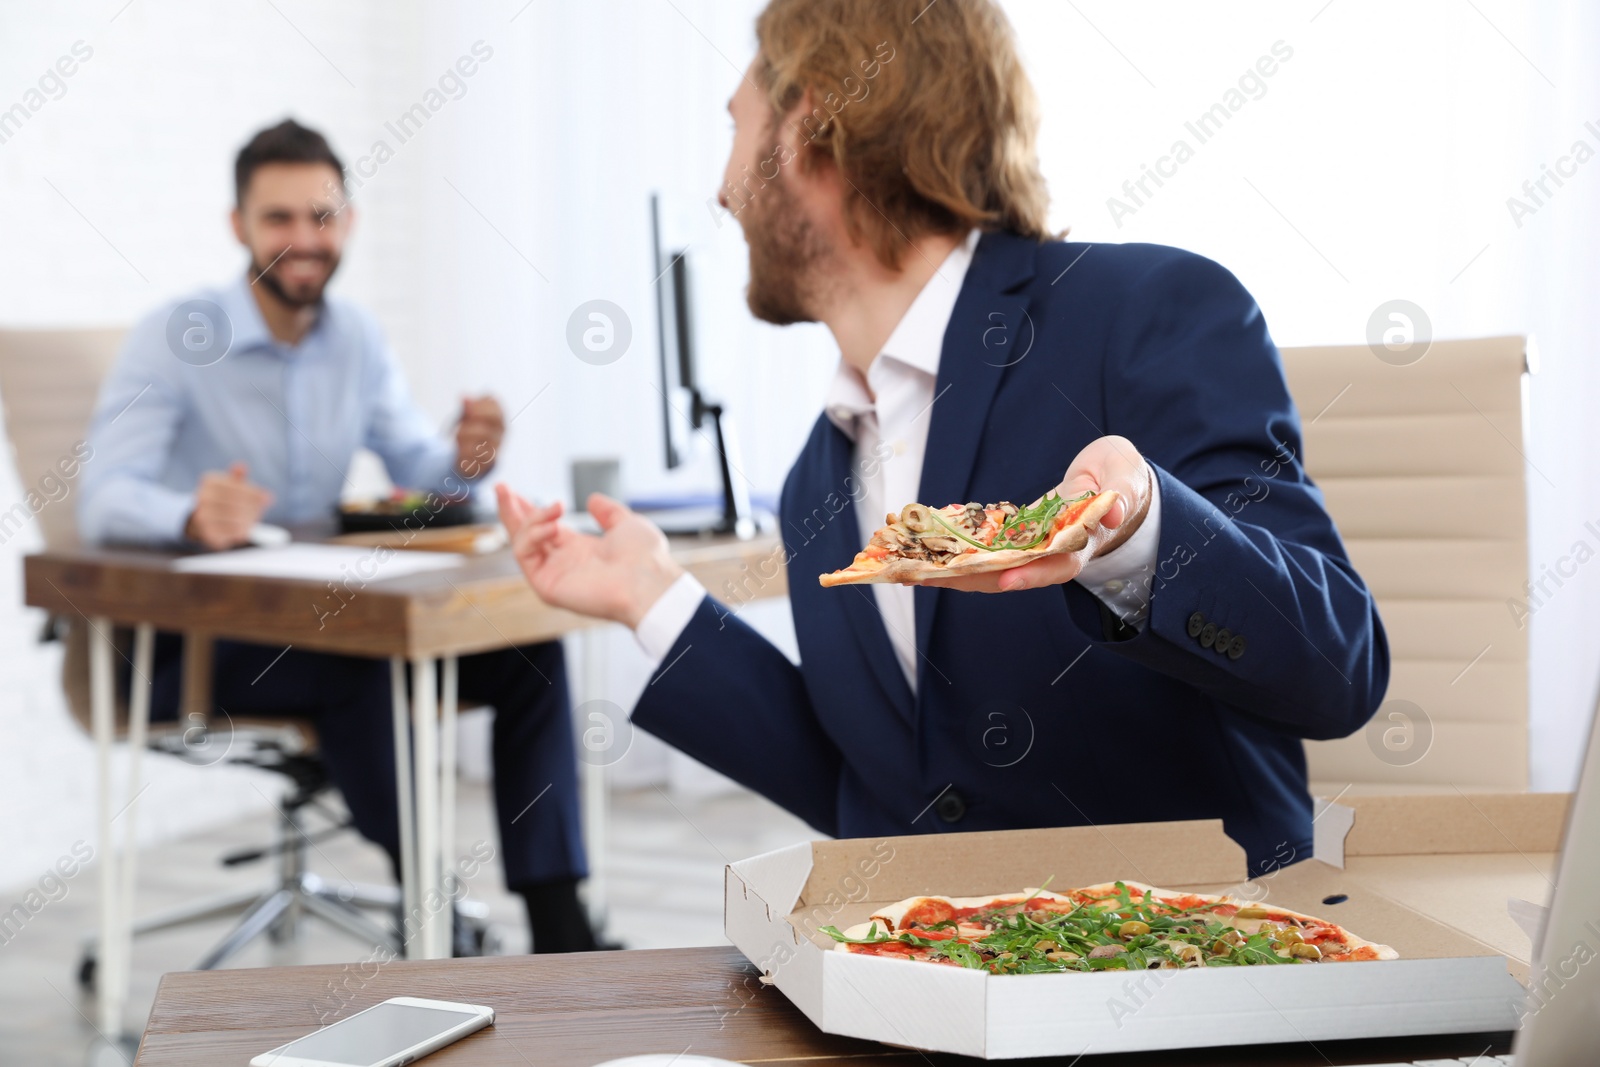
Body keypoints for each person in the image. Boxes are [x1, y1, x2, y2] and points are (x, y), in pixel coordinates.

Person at [495, 0, 1389, 878]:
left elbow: (1339, 666)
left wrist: (1144, 533)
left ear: (810, 121)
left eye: (737, 127)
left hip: (1194, 972)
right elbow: (884, 795)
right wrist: (654, 598)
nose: (720, 189)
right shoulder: (822, 473)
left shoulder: (1144, 312)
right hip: (950, 987)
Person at [79, 119, 600, 952]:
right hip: (201, 640)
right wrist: (186, 515)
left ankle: (560, 919)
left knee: (530, 646)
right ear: (238, 226)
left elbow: (418, 471)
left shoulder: (353, 338)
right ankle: (431, 908)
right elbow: (101, 498)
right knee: (363, 649)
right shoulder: (177, 338)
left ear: (347, 223)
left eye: (320, 217)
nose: (302, 239)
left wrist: (464, 460)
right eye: (278, 218)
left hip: (325, 620)